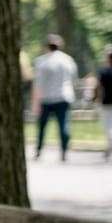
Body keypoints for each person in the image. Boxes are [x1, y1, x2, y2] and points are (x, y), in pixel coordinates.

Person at [32, 33, 78, 161]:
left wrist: (35, 101)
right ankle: (64, 150)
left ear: (47, 46)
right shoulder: (67, 60)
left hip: (46, 98)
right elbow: (73, 79)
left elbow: (38, 84)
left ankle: (39, 149)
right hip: (64, 96)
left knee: (42, 126)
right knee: (63, 125)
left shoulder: (41, 61)